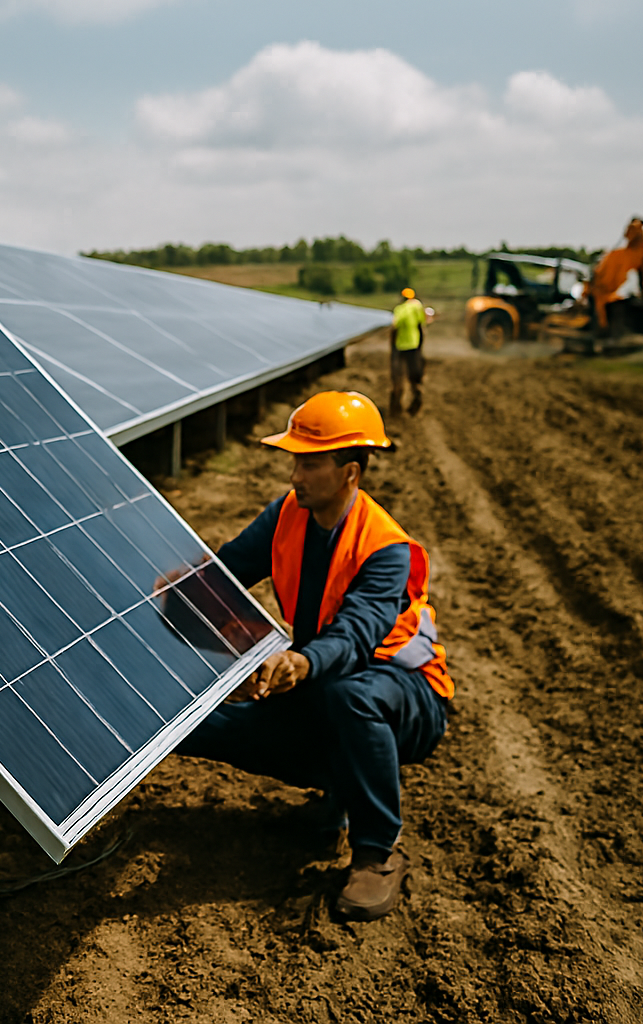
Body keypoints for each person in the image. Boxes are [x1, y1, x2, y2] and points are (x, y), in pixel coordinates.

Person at [176, 391, 453, 921]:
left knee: (348, 694)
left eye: (309, 461)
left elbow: (355, 637)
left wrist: (300, 663)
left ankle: (376, 853)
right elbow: (225, 572)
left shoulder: (385, 548)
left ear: (349, 472)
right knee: (214, 726)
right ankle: (336, 797)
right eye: (293, 460)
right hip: (326, 681)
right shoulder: (287, 513)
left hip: (405, 693)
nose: (295, 474)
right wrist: (163, 598)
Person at [588, 216, 643, 338]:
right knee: (611, 308)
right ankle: (605, 333)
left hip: (604, 294)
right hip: (602, 293)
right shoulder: (618, 256)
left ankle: (608, 332)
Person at [388, 287, 426, 416]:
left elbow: (394, 327)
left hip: (400, 347)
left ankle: (396, 405)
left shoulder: (399, 309)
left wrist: (392, 347)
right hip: (414, 346)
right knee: (414, 375)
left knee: (398, 376)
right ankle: (417, 398)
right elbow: (421, 325)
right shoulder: (417, 307)